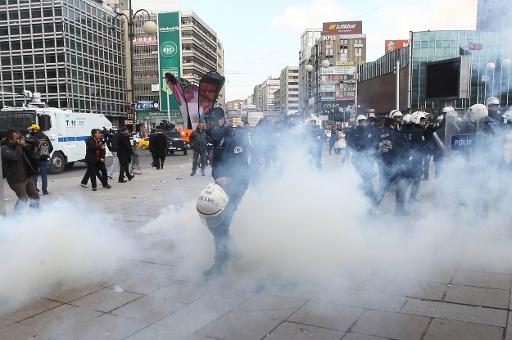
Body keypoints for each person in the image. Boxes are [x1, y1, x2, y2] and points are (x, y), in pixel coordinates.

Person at [203, 107, 250, 276]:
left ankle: (221, 264)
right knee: (213, 221)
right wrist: (218, 176)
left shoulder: (235, 137)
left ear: (222, 120)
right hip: (221, 183)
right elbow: (216, 164)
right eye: (209, 121)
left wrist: (227, 177)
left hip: (237, 183)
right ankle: (232, 251)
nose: (210, 125)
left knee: (220, 224)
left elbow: (241, 164)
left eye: (213, 121)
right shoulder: (216, 138)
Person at [374, 118, 411, 216]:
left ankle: (371, 210)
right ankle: (399, 211)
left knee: (381, 190)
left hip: (383, 167)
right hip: (396, 166)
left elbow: (374, 152)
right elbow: (405, 150)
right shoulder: (397, 134)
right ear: (392, 125)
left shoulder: (378, 135)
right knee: (401, 188)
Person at [1, 129, 40, 209]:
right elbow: (14, 157)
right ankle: (16, 217)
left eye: (19, 138)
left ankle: (34, 214)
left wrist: (27, 145)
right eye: (16, 138)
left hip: (26, 177)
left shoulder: (19, 146)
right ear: (10, 139)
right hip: (16, 179)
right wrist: (20, 145)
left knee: (35, 196)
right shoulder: (4, 148)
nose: (19, 140)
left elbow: (31, 150)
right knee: (23, 199)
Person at [346, 115, 377, 200]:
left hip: (368, 157)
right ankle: (369, 195)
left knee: (367, 176)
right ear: (358, 122)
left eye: (364, 121)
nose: (362, 123)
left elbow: (374, 142)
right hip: (358, 157)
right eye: (361, 121)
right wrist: (355, 149)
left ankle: (365, 192)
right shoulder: (354, 132)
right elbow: (349, 143)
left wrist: (373, 152)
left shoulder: (369, 131)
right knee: (364, 176)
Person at [27, 124, 53, 195]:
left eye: (31, 129)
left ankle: (34, 191)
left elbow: (29, 149)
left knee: (34, 176)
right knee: (44, 176)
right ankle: (45, 191)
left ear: (35, 129)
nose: (30, 131)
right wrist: (45, 154)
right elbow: (51, 147)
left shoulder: (32, 138)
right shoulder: (45, 136)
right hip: (44, 159)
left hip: (35, 160)